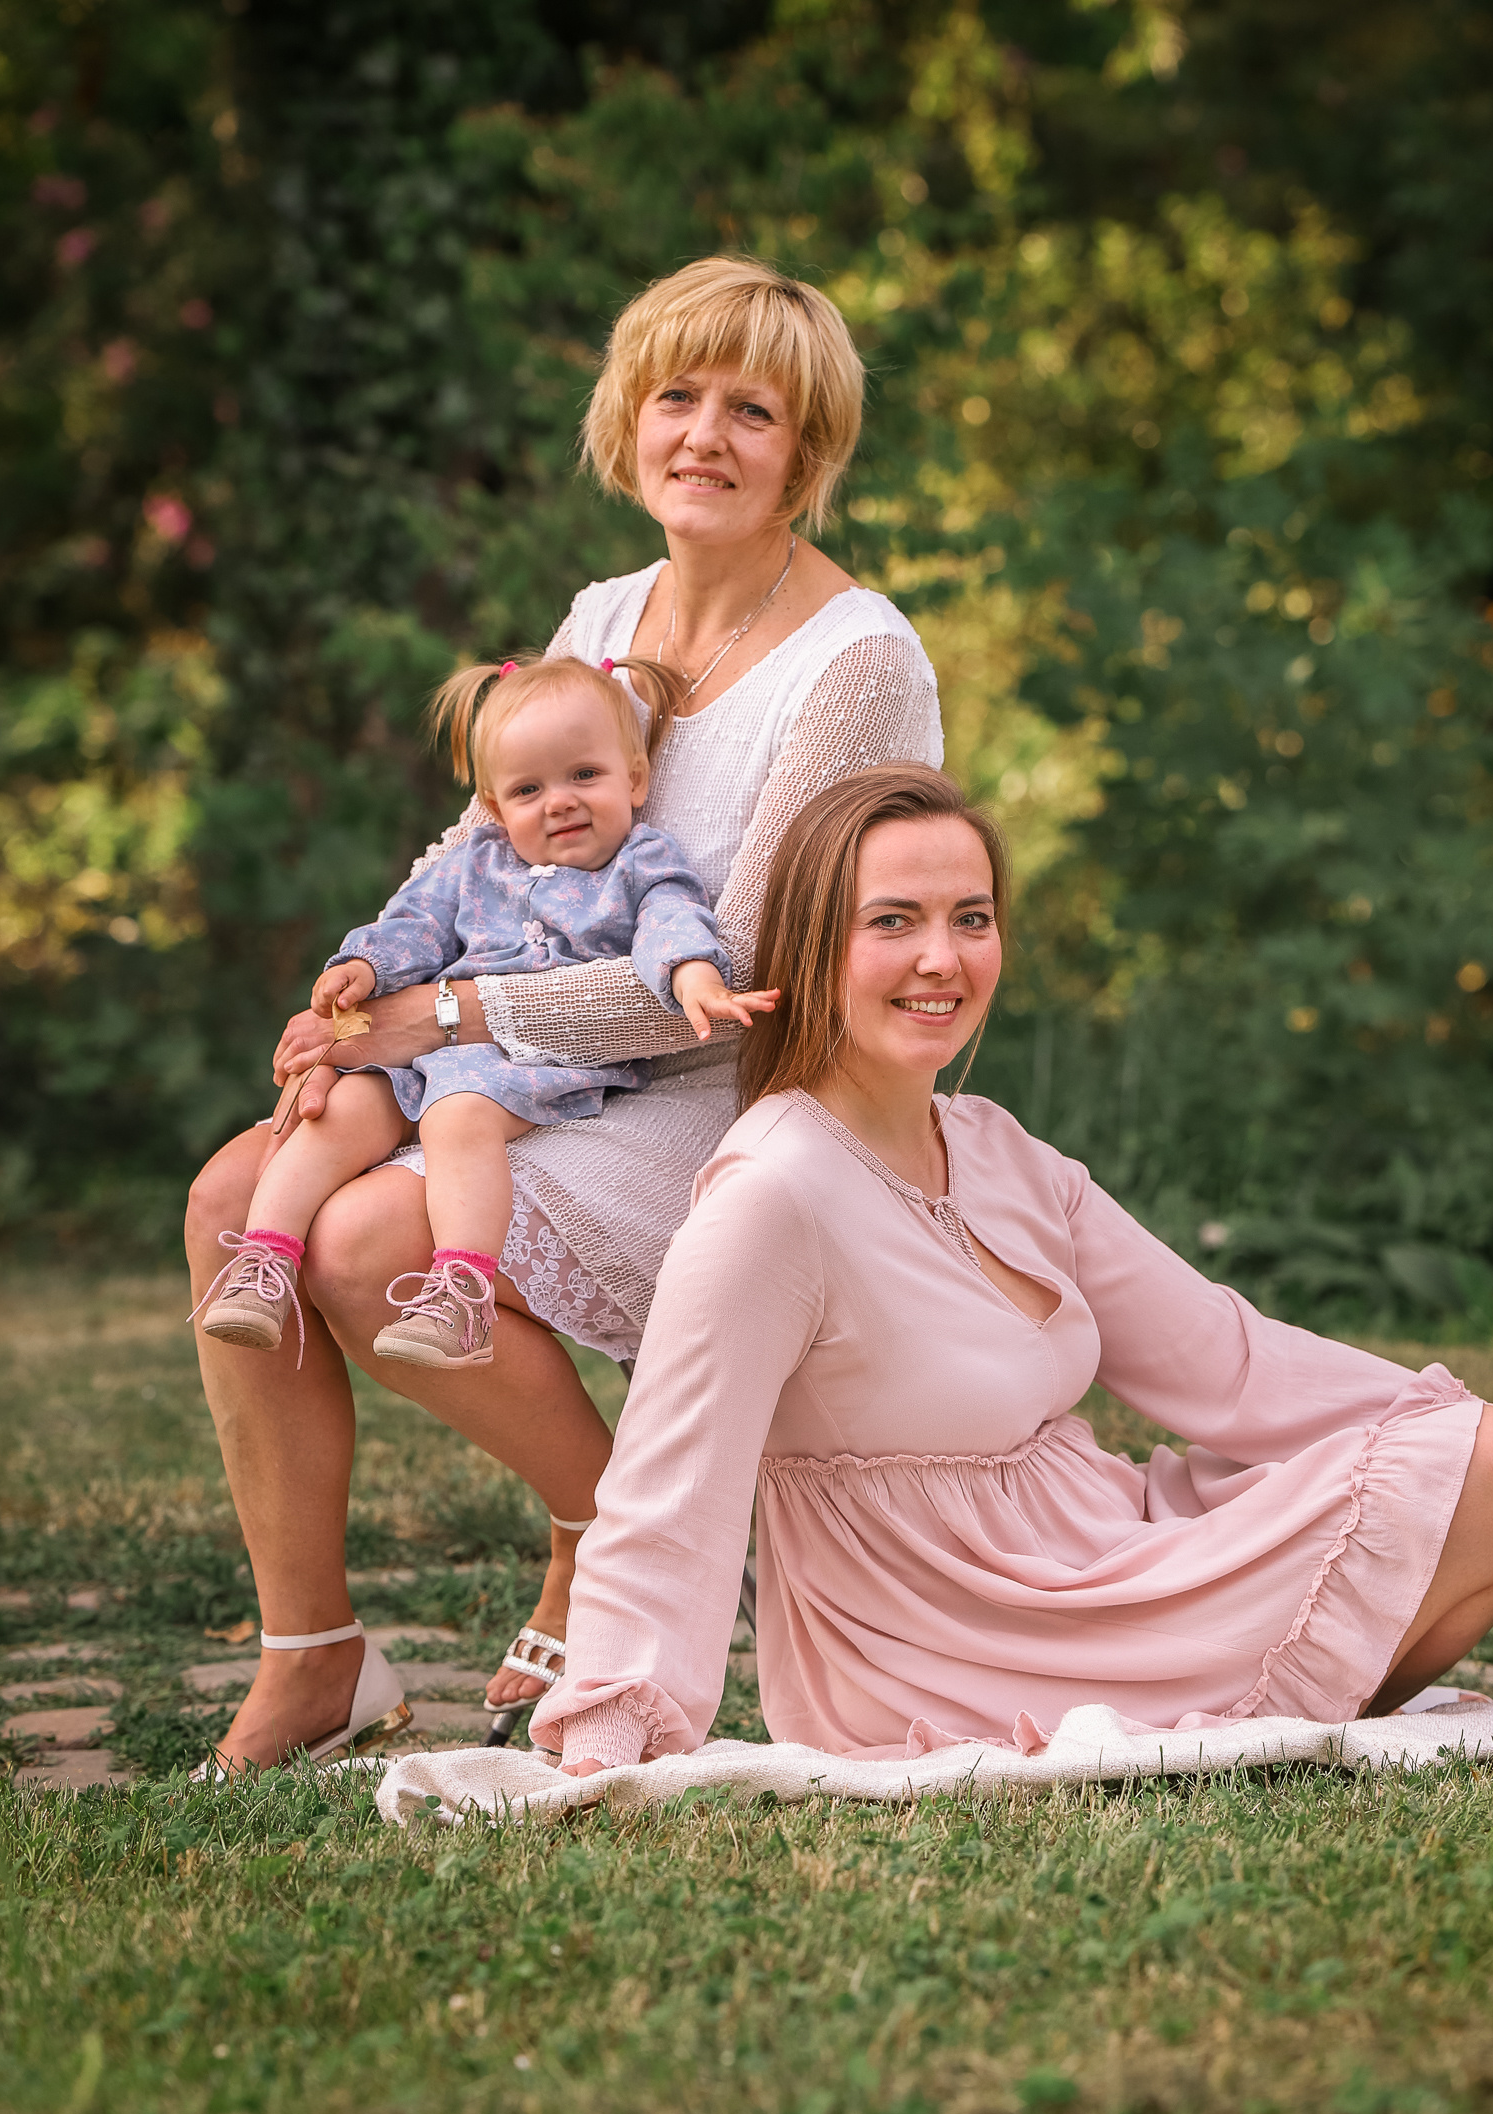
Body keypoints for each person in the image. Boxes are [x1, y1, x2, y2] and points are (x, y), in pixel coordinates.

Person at [185, 256, 942, 1771]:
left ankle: (613, 1539)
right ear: (627, 417)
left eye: (754, 410)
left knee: (364, 1238)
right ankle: (314, 1650)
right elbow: (483, 835)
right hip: (516, 1052)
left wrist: (448, 1011)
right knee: (227, 1206)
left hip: (730, 1090)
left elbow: (729, 971)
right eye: (677, 396)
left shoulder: (858, 660)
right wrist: (363, 997)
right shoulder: (608, 611)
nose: (706, 437)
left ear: (809, 452)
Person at [528, 763, 1493, 1777]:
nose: (942, 959)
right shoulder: (774, 1192)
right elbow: (673, 1484)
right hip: (955, 1648)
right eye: (893, 922)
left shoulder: (996, 1146)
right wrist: (613, 1720)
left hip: (1108, 1559)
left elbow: (1229, 1363)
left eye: (972, 918)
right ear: (814, 947)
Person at [195, 652, 772, 1374]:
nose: (559, 801)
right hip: (428, 1053)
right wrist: (360, 968)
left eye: (583, 776)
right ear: (496, 809)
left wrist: (690, 975)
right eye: (529, 788)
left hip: (535, 1060)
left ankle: (460, 1292)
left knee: (456, 1117)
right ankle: (264, 1264)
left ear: (635, 780)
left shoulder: (642, 862)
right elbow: (413, 928)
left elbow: (673, 920)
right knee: (337, 1112)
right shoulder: (475, 862)